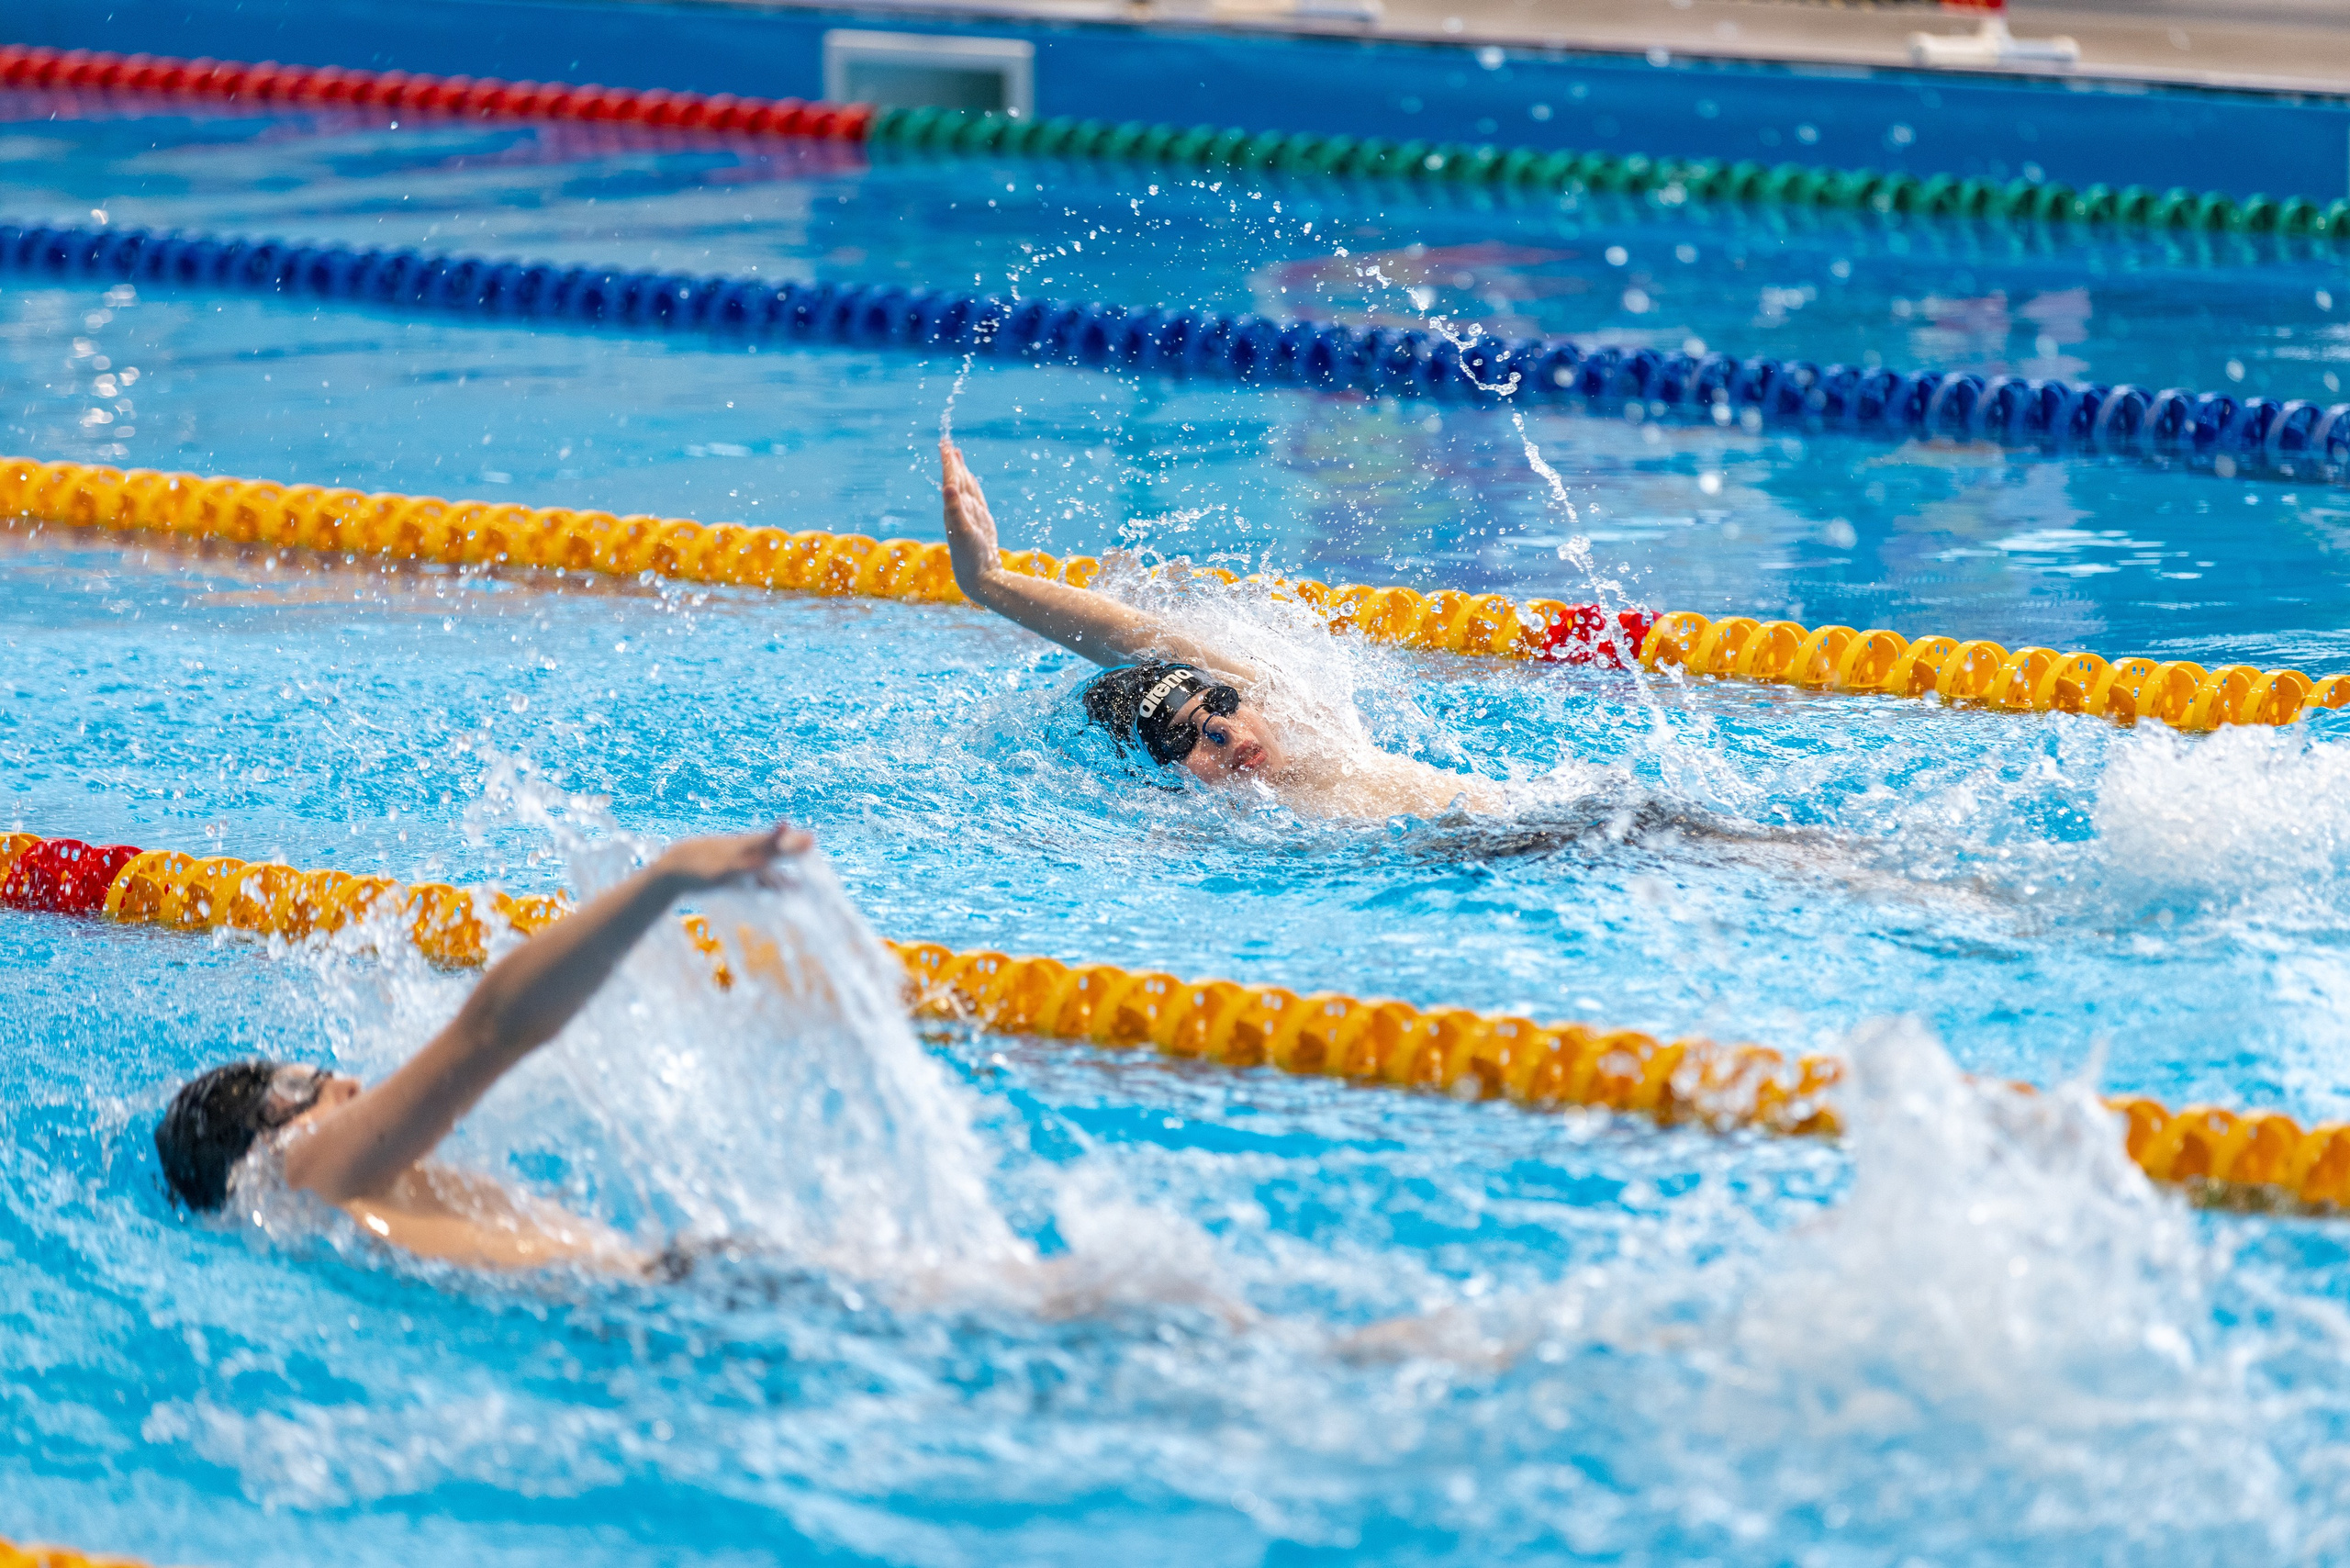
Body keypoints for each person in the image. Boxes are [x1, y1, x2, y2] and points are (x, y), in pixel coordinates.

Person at [153, 823, 811, 1273]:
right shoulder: (305, 1174)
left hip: (679, 1290)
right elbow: (494, 1028)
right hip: (684, 1293)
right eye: (305, 1088)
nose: (348, 1084)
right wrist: (663, 882)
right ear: (261, 1143)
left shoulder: (341, 1207)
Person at [940, 439, 1507, 820]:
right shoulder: (1205, 829)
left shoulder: (1314, 726)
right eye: (1181, 739)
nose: (1227, 734)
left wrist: (989, 582)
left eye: (1224, 701)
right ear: (1157, 775)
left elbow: (1138, 636)